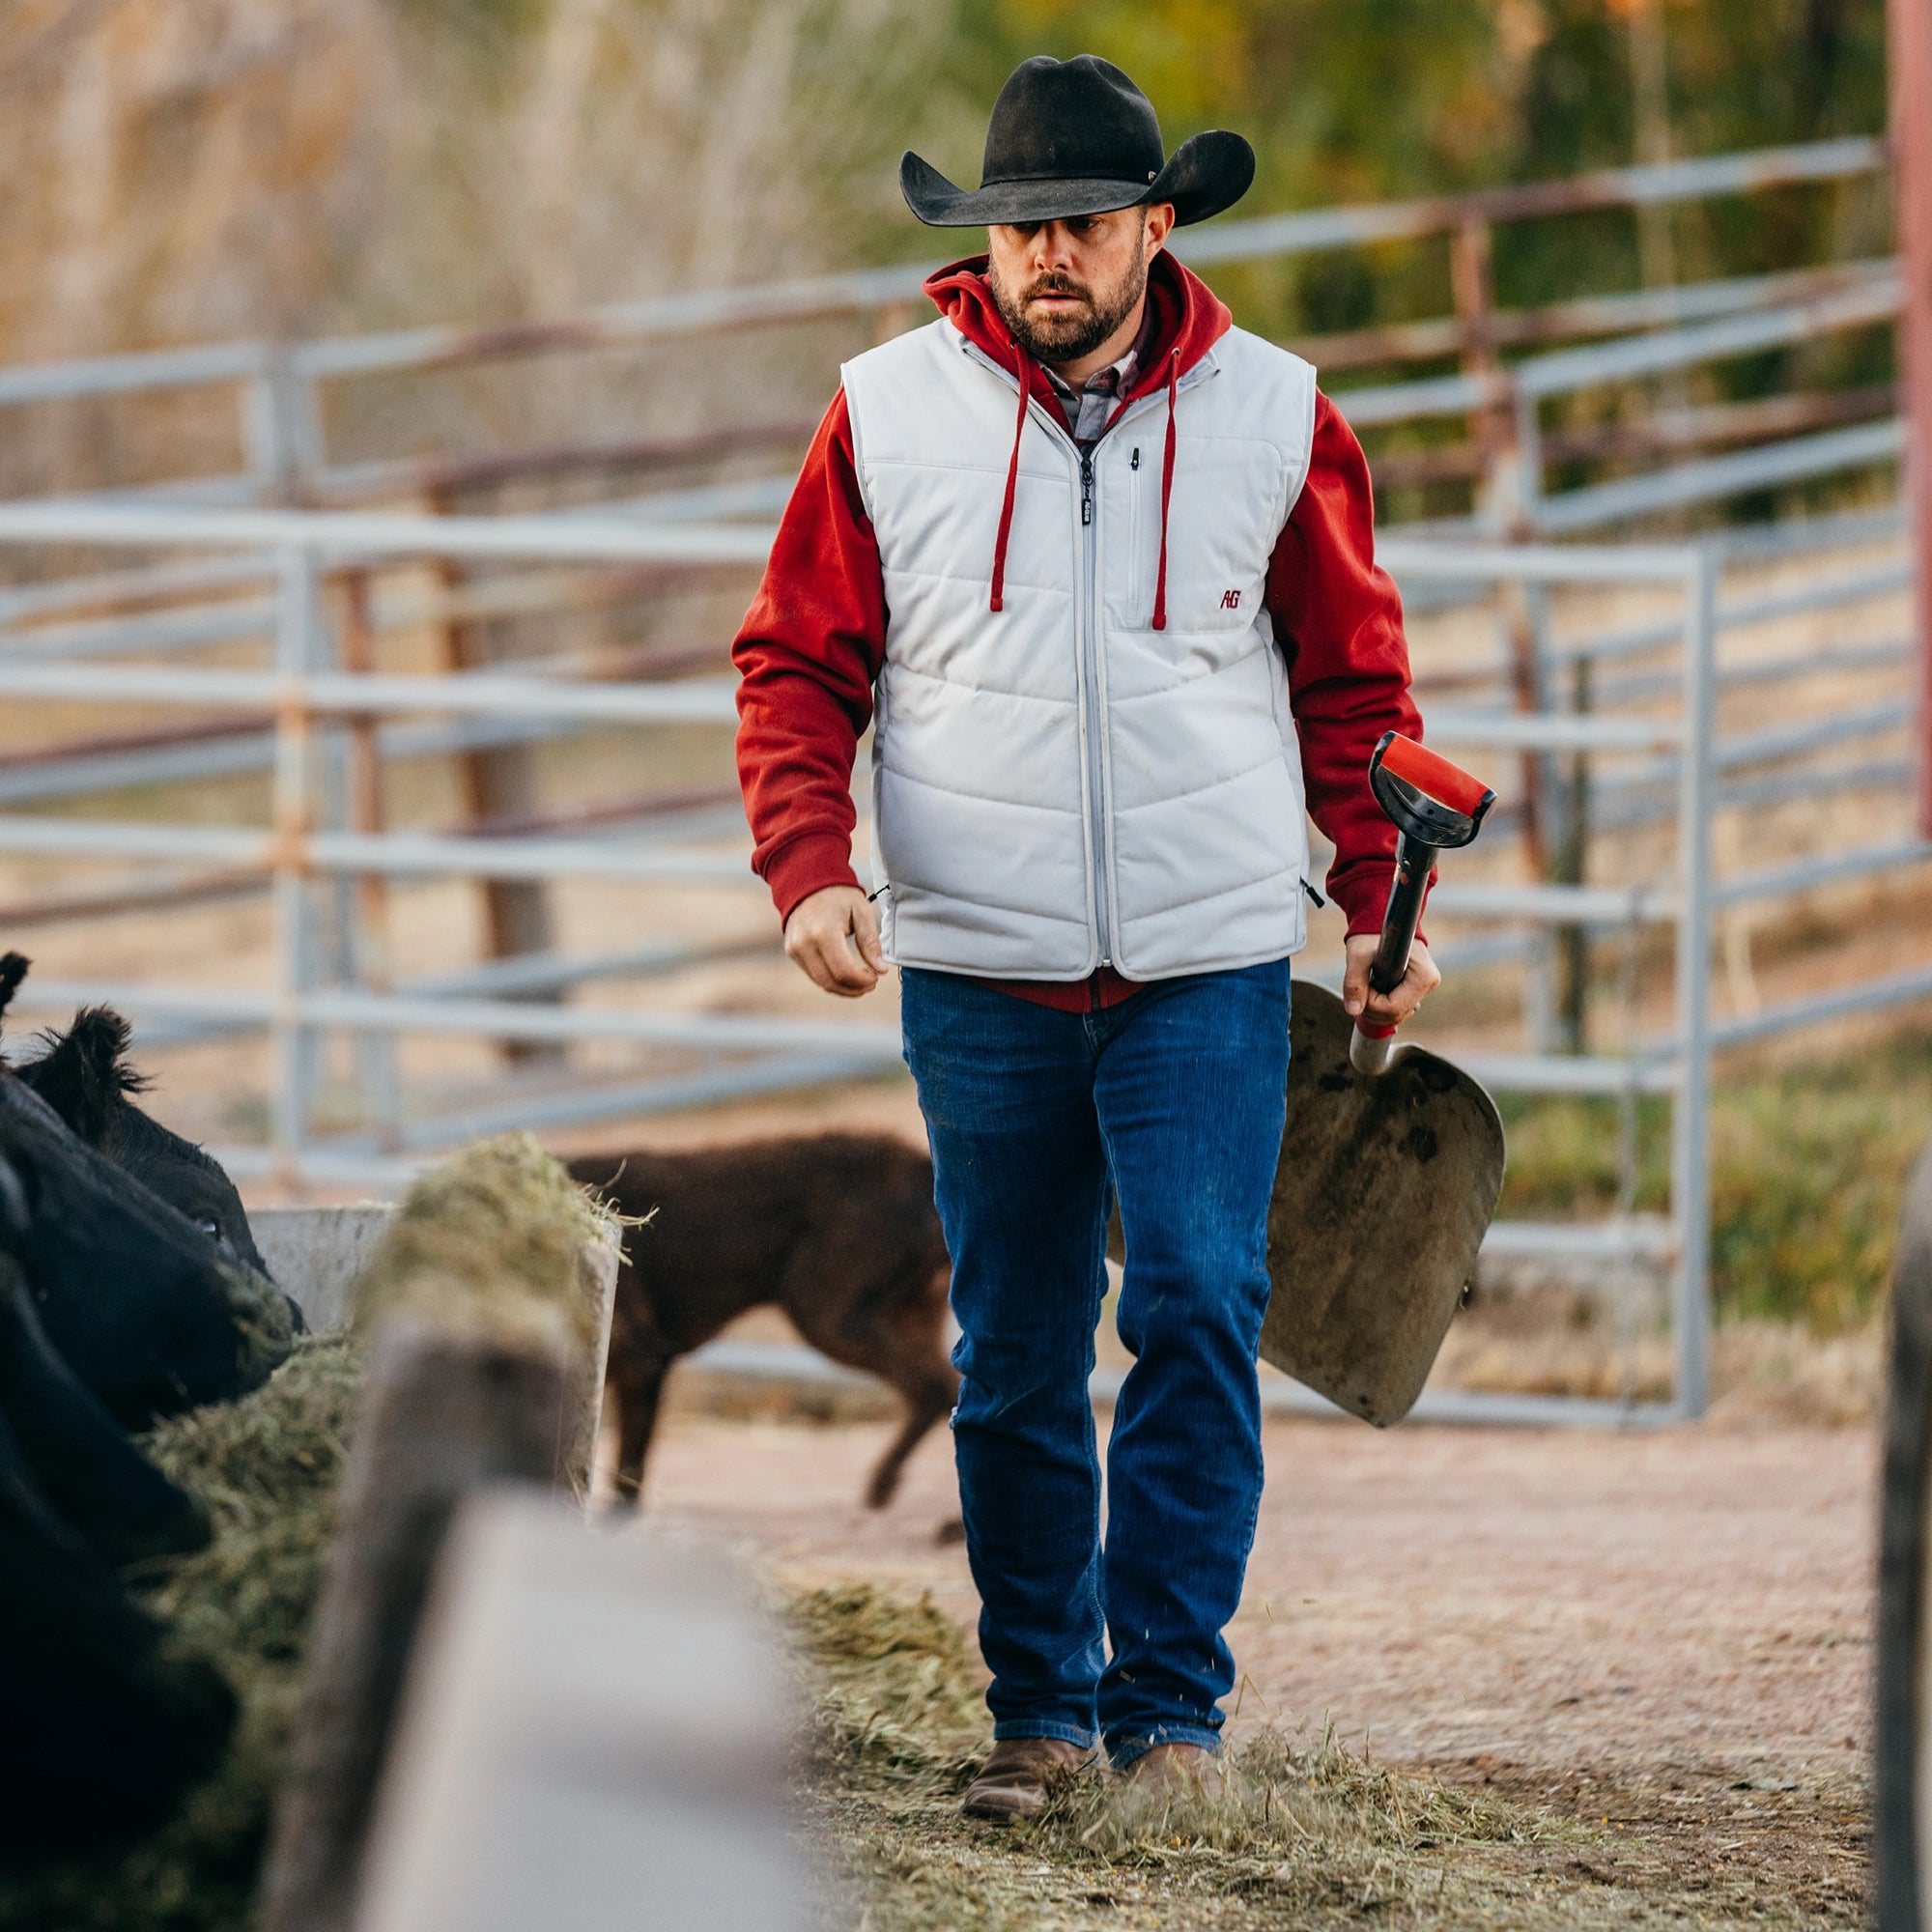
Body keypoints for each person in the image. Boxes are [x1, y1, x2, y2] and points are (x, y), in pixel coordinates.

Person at [732, 53, 1437, 1816]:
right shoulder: (885, 413)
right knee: (1021, 1344)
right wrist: (809, 864)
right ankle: (1040, 1717)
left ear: (1156, 227)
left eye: (1084, 223)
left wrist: (1379, 902)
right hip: (981, 961)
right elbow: (796, 662)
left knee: (1198, 1303)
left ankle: (1170, 1724)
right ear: (988, 238)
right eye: (1022, 224)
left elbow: (1358, 687)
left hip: (1203, 957)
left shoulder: (1278, 414)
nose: (1049, 252)